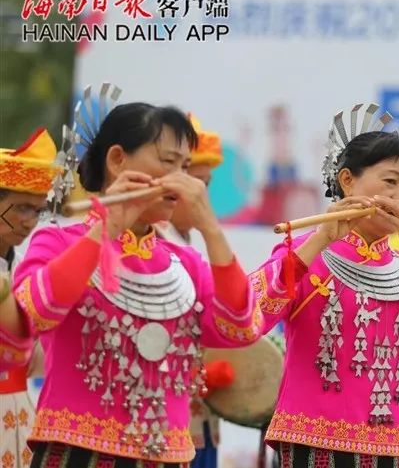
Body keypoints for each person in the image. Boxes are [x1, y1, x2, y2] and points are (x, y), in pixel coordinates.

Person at [12, 93, 263, 467]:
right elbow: (32, 314)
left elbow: (241, 328)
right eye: (168, 162)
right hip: (77, 452)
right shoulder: (59, 241)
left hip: (166, 457)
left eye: (185, 167)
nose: (181, 179)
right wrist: (108, 227)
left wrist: (211, 229)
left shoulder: (187, 263)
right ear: (117, 160)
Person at [251, 104, 399, 467]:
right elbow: (251, 314)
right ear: (347, 181)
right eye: (390, 182)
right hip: (318, 445)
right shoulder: (308, 252)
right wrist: (320, 239)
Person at [154, 114, 233, 468]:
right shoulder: (153, 246)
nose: (201, 193)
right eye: (194, 181)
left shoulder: (191, 247)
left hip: (197, 412)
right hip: (159, 415)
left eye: (206, 183)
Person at [0, 128, 59, 467]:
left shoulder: (26, 270)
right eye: (22, 208)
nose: (29, 222)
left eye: (37, 211)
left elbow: (36, 358)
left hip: (20, 417)